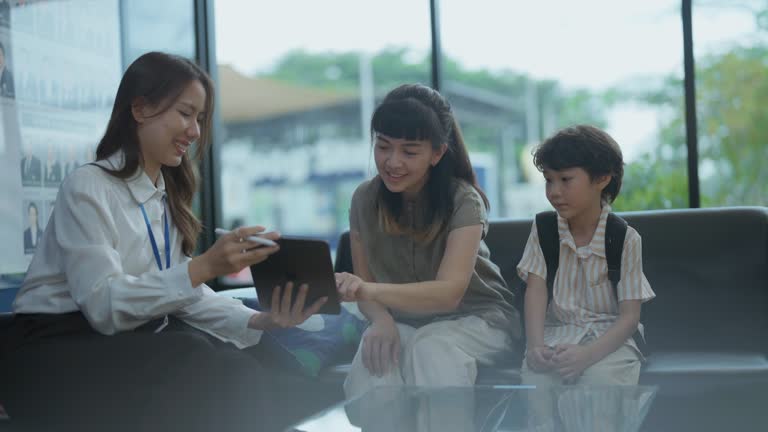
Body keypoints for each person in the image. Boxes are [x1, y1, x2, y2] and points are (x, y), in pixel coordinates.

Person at [1, 52, 328, 432]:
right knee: (197, 357)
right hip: (52, 349)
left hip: (121, 341)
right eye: (186, 114)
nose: (195, 132)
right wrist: (204, 266)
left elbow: (183, 295)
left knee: (257, 360)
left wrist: (260, 320)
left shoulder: (163, 195)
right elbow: (105, 307)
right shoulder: (88, 186)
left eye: (200, 119)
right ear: (140, 109)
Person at [335, 84, 520, 399]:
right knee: (375, 359)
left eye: (409, 151)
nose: (393, 162)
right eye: (383, 146)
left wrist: (367, 291)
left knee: (432, 348)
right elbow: (364, 283)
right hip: (404, 321)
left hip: (478, 320)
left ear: (437, 153)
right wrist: (379, 320)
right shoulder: (364, 199)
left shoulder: (464, 200)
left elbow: (448, 295)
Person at [517, 125, 655, 428]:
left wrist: (588, 355)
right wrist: (535, 347)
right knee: (537, 386)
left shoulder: (625, 238)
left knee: (601, 384)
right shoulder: (543, 230)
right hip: (557, 336)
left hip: (609, 342)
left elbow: (629, 318)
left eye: (565, 180)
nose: (554, 191)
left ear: (602, 179)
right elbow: (536, 291)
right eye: (548, 180)